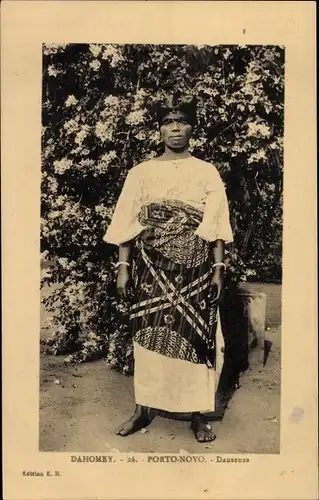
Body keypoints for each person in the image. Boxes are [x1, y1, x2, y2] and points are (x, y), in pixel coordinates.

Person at [103, 93, 233, 443]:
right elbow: (127, 222)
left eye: (182, 121)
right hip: (150, 268)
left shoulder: (206, 171)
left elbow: (217, 224)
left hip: (195, 269)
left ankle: (197, 414)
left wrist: (218, 270)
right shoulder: (141, 172)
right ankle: (143, 408)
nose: (175, 128)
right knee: (146, 336)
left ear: (192, 128)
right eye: (167, 122)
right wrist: (123, 268)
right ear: (158, 130)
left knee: (197, 337)